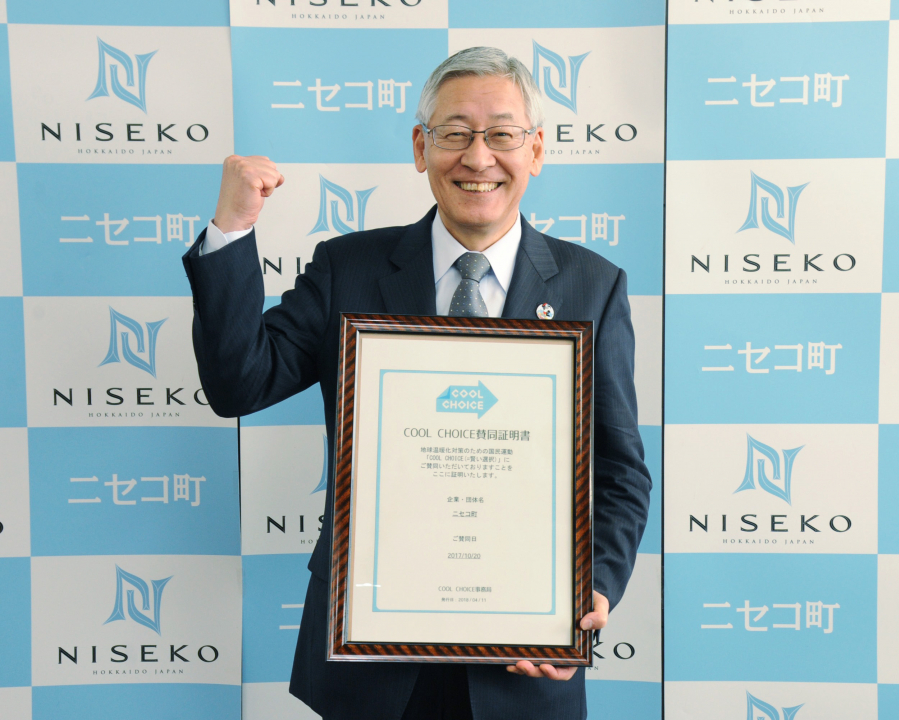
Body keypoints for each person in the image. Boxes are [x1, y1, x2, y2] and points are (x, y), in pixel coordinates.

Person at [182, 46, 651, 720]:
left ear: (537, 150)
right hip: (371, 665)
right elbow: (238, 384)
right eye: (455, 133)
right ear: (420, 146)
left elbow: (620, 474)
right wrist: (232, 230)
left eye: (502, 135)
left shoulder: (591, 286)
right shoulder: (349, 268)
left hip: (523, 661)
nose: (478, 157)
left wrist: (593, 589)